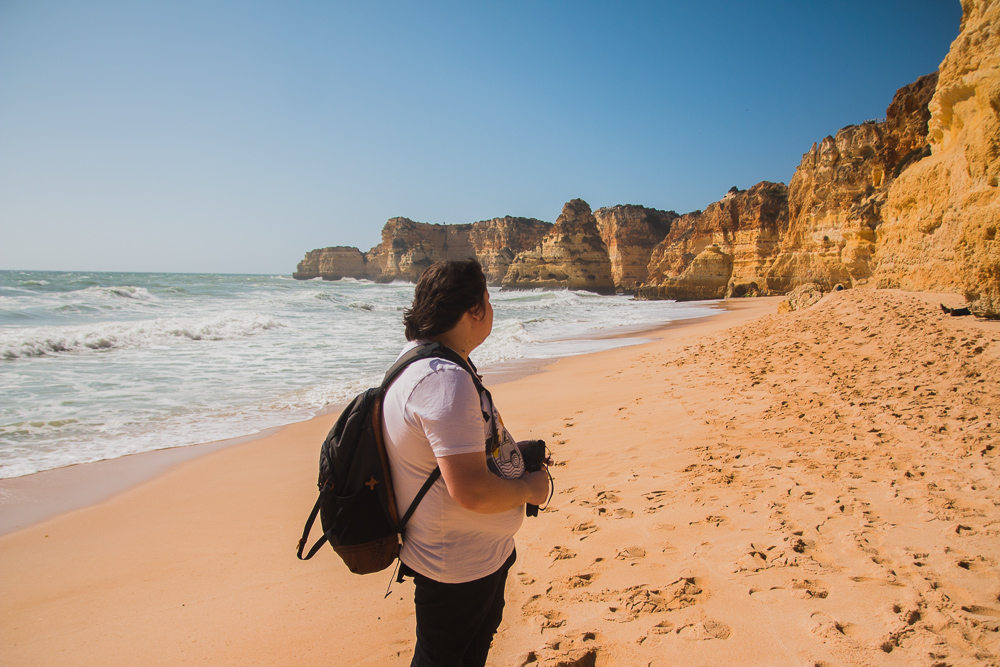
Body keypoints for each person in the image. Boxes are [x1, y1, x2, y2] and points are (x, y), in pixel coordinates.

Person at [382, 259, 551, 667]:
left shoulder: (420, 361)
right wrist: (532, 488)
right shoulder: (443, 378)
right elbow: (471, 490)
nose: (491, 310)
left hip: (465, 558)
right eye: (488, 300)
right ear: (475, 309)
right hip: (458, 568)